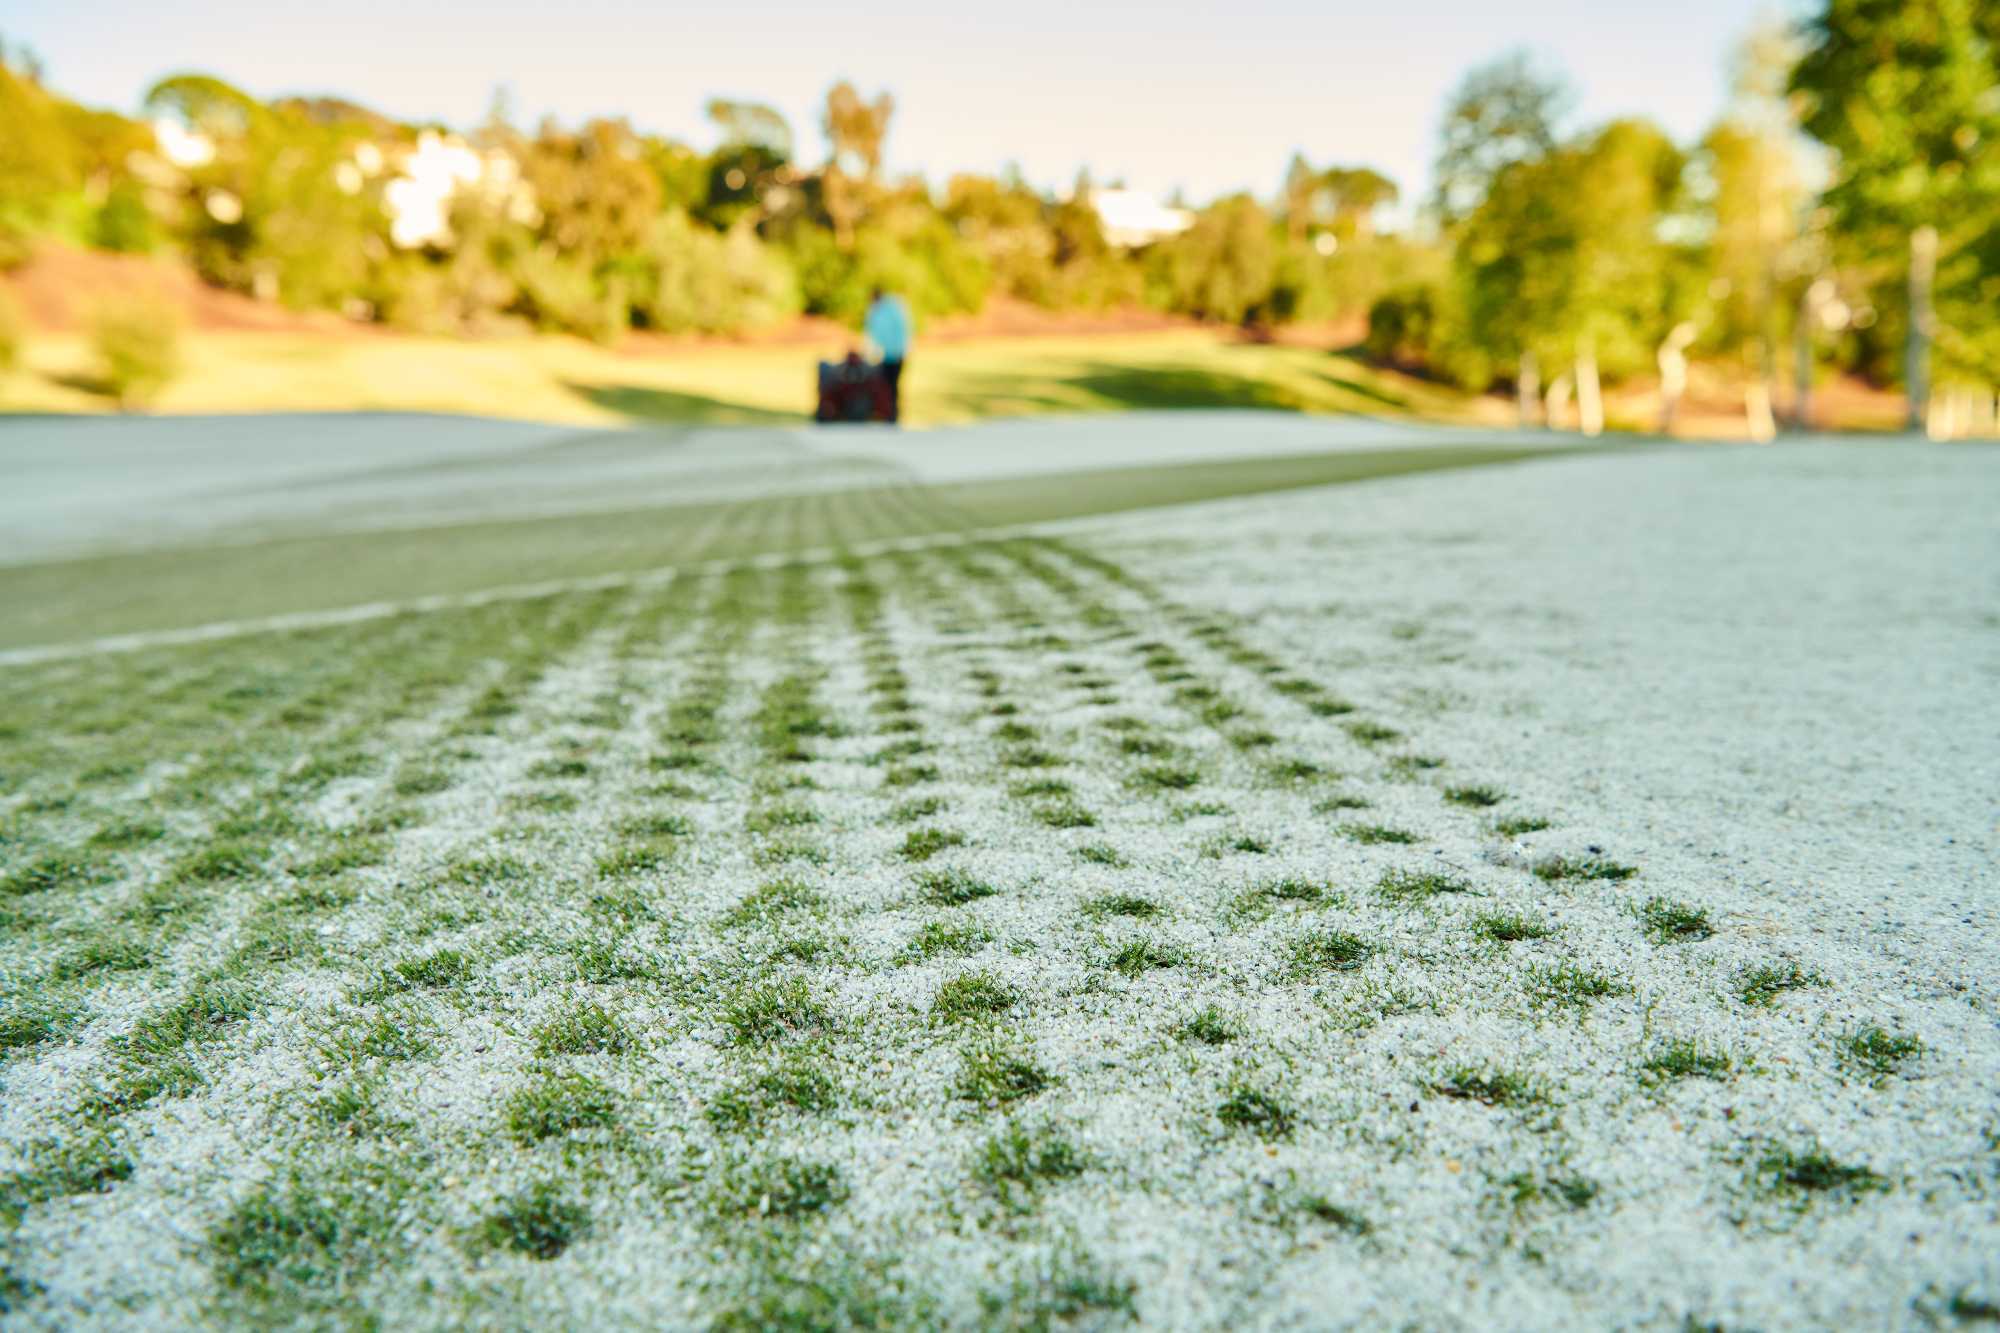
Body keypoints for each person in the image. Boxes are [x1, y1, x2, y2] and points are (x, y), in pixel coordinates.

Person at [863, 286, 911, 424]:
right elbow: (872, 334)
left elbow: (902, 331)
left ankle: (893, 415)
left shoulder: (891, 309)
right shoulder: (876, 311)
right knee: (885, 385)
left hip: (895, 354)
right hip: (885, 355)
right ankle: (887, 413)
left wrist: (902, 350)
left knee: (893, 385)